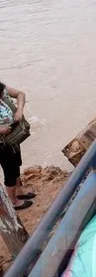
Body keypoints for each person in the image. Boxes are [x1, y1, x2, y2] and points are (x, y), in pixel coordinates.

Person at [0, 82, 35, 210]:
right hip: (2, 143)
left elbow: (20, 94)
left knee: (17, 163)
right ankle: (13, 202)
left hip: (12, 137)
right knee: (9, 171)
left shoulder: (2, 88)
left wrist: (19, 109)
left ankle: (19, 192)